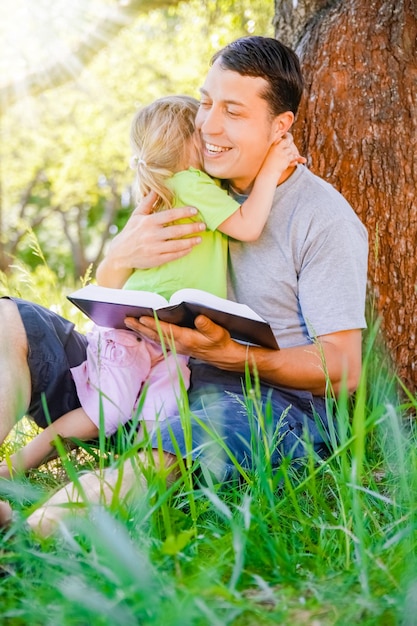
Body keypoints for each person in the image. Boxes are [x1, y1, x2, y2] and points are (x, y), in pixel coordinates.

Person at [0, 36, 368, 534]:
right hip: (145, 370)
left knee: (160, 456)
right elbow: (116, 291)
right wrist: (118, 257)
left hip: (255, 396)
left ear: (280, 127)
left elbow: (343, 369)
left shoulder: (320, 217)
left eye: (233, 111)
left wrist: (234, 357)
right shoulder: (186, 178)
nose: (209, 123)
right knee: (7, 318)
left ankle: (23, 540)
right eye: (205, 101)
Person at [0, 95, 304, 479]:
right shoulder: (188, 183)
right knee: (105, 414)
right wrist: (272, 170)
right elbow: (247, 224)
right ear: (189, 142)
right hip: (136, 333)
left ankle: (122, 484)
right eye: (202, 131)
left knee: (161, 420)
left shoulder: (186, 188)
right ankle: (12, 469)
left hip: (170, 345)